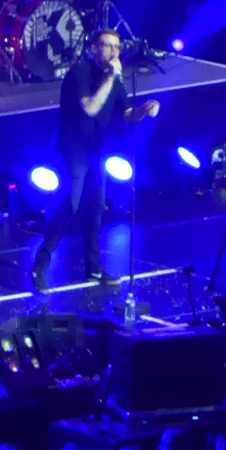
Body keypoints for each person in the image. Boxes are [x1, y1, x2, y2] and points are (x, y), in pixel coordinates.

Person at [37, 31, 160, 289]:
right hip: (74, 148)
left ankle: (93, 270)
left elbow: (126, 113)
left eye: (117, 47)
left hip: (97, 148)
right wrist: (110, 77)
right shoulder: (79, 72)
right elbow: (91, 107)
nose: (114, 52)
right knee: (71, 204)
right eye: (108, 46)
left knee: (96, 206)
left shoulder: (115, 79)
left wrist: (144, 109)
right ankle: (41, 263)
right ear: (94, 48)